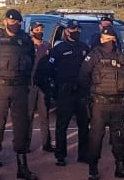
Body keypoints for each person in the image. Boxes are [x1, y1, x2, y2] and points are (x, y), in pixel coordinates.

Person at [0, 8, 39, 180]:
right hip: (0, 89)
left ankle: (22, 167)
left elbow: (31, 61)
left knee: (21, 128)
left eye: (18, 22)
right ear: (5, 21)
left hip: (20, 89)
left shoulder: (25, 39)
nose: (15, 24)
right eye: (12, 21)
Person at [79, 25, 124, 180]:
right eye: (106, 39)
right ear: (101, 39)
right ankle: (93, 168)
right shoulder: (94, 55)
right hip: (100, 103)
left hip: (117, 103)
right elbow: (83, 77)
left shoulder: (120, 55)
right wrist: (92, 92)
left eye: (111, 39)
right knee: (96, 137)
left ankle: (121, 167)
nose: (109, 42)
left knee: (119, 136)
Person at [37, 20, 91, 166]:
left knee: (84, 124)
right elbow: (49, 68)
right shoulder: (59, 49)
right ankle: (60, 155)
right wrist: (53, 86)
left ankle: (83, 154)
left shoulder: (84, 48)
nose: (76, 31)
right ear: (66, 31)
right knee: (62, 124)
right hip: (65, 90)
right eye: (73, 29)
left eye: (78, 29)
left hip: (81, 91)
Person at [26, 20, 53, 153]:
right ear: (31, 31)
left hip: (44, 83)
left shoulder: (47, 46)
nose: (40, 32)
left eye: (41, 30)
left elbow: (52, 63)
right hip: (30, 84)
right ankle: (25, 144)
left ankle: (46, 144)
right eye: (37, 30)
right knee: (28, 115)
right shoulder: (27, 46)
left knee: (44, 114)